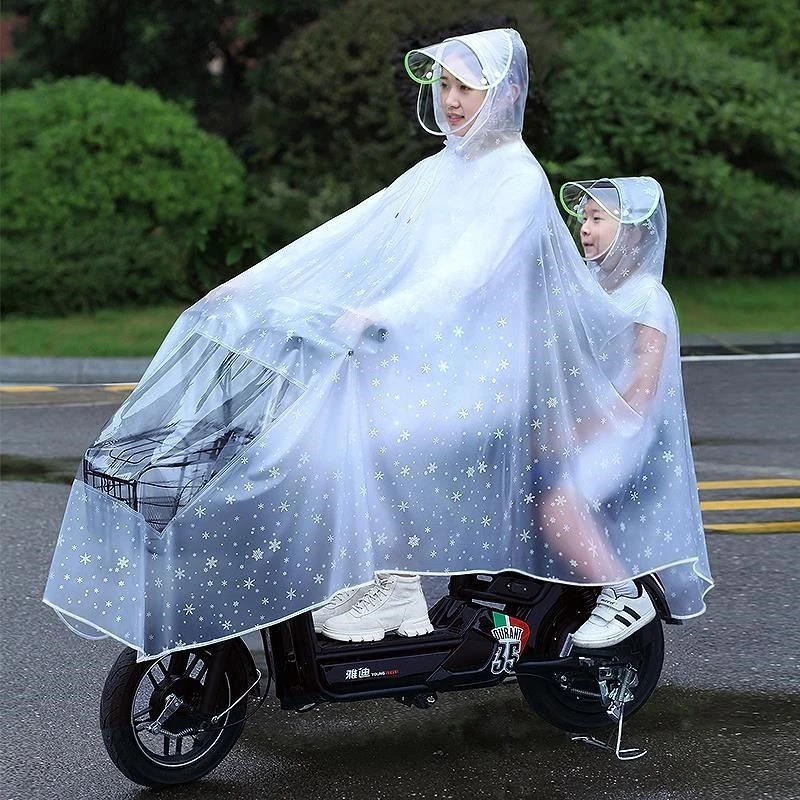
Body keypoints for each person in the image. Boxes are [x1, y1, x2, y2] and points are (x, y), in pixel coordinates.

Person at [43, 31, 712, 661]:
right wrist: (254, 288)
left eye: (464, 89)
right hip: (429, 357)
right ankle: (362, 581)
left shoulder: (516, 182)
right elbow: (354, 228)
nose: (448, 101)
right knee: (308, 416)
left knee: (359, 428)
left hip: (480, 377)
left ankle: (389, 587)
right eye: (443, 86)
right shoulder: (440, 171)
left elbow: (463, 275)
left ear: (503, 95)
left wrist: (376, 313)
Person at [548, 176, 713, 647]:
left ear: (635, 232)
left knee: (560, 503)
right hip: (588, 424)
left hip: (626, 433)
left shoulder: (647, 298)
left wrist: (577, 431)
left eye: (599, 218)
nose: (585, 228)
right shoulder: (591, 289)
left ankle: (624, 594)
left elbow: (640, 392)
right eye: (583, 218)